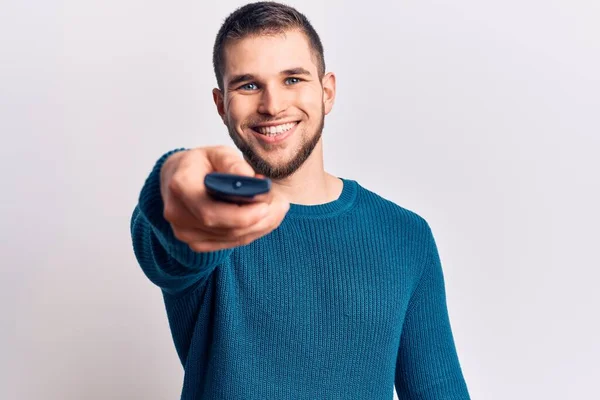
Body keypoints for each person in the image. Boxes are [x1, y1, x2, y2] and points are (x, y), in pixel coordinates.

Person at [130, 2, 471, 399]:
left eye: (292, 79)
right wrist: (170, 179)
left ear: (326, 92)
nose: (272, 105)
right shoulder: (213, 222)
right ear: (222, 105)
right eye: (248, 85)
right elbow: (169, 230)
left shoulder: (405, 235)